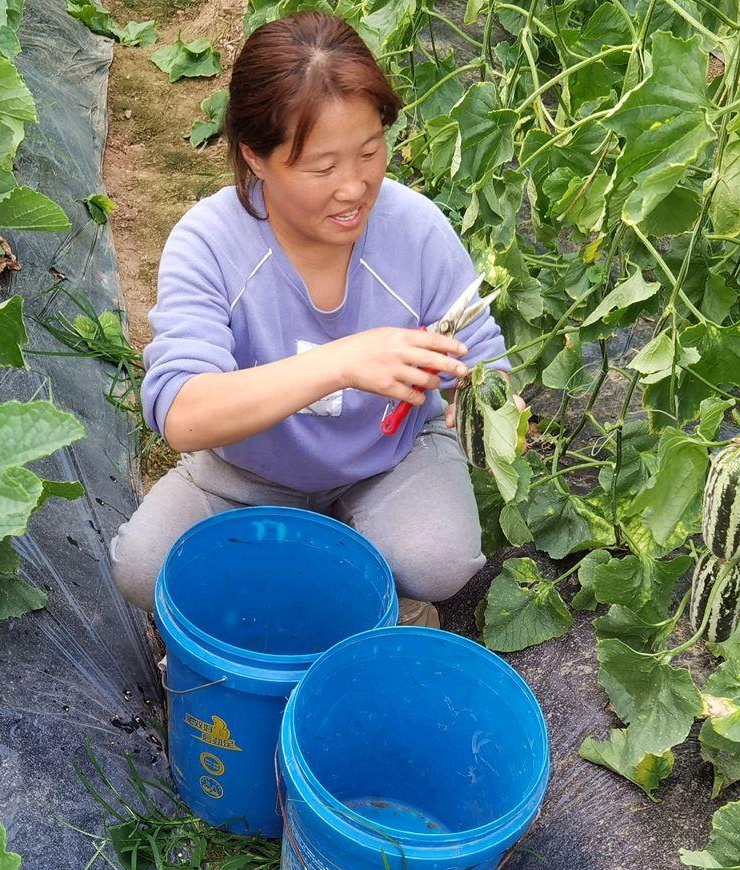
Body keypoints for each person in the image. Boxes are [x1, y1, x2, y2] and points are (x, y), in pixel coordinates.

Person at [108, 10, 508, 628]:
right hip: (249, 471)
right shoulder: (211, 243)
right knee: (145, 569)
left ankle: (373, 595)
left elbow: (483, 357)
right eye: (322, 168)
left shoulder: (416, 229)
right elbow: (182, 416)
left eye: (371, 152)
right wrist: (341, 362)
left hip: (389, 457)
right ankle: (333, 593)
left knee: (440, 560)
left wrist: (483, 399)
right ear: (256, 157)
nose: (354, 187)